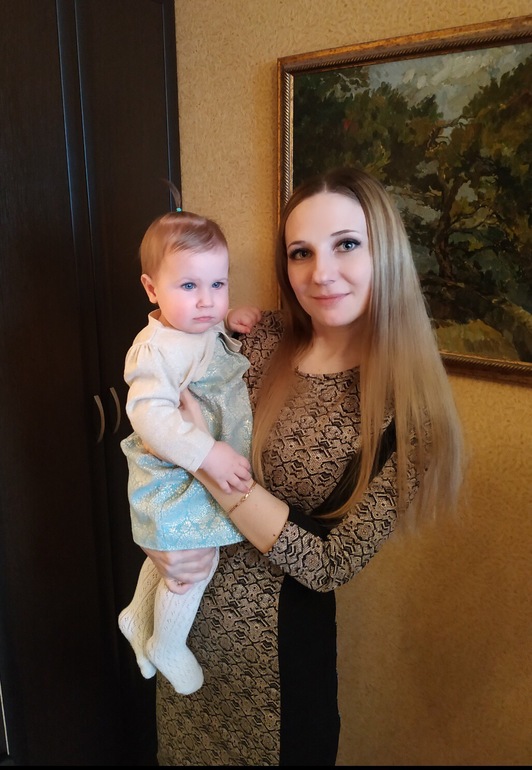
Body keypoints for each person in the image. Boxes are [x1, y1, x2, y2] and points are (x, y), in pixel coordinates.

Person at [128, 167, 465, 765]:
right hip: (184, 636)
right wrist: (154, 541)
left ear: (385, 252)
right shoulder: (255, 338)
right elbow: (157, 428)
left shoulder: (408, 415)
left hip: (275, 670)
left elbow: (330, 564)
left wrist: (214, 475)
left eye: (347, 244)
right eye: (301, 252)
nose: (321, 273)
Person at [118, 186, 261, 696]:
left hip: (192, 465)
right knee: (193, 563)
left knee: (174, 547)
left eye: (218, 283)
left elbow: (208, 334)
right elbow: (150, 418)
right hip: (173, 470)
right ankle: (167, 643)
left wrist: (230, 322)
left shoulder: (197, 323)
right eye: (189, 285)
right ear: (151, 289)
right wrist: (208, 452)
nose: (206, 300)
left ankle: (137, 616)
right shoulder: (154, 351)